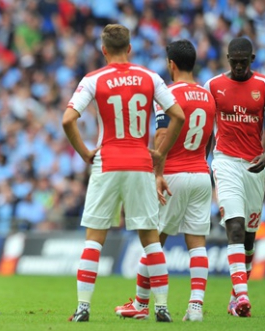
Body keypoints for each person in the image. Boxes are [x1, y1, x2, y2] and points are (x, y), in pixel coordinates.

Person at [62, 24, 185, 323]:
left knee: (94, 239)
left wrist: (85, 153)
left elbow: (68, 120)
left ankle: (83, 308)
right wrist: (161, 153)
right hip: (141, 163)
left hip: (108, 161)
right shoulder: (150, 77)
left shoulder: (94, 79)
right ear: (130, 48)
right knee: (151, 239)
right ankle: (162, 308)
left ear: (103, 50)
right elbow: (178, 115)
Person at [115, 40, 216, 322]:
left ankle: (140, 303)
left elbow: (161, 136)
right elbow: (208, 137)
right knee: (197, 242)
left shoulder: (168, 95)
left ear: (171, 64)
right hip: (200, 173)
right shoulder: (208, 97)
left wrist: (157, 173)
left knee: (153, 240)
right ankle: (195, 307)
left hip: (172, 174)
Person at [204, 37, 265, 317]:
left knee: (249, 239)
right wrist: (203, 161)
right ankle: (244, 296)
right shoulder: (212, 86)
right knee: (234, 227)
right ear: (227, 59)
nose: (238, 66)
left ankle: (233, 297)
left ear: (252, 59)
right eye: (233, 62)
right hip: (225, 162)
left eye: (242, 61)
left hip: (255, 166)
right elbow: (205, 130)